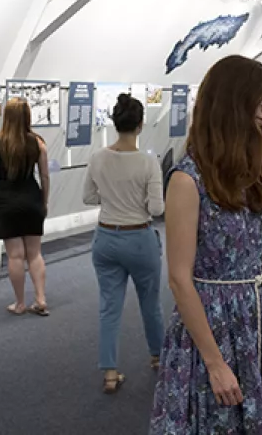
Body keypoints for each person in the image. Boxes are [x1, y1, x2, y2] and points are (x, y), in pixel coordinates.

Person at [149, 55, 262, 434]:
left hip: (255, 317)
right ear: (236, 103)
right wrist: (215, 363)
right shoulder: (187, 180)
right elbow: (180, 280)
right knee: (215, 417)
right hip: (211, 321)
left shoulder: (249, 171)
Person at [82, 93, 165, 394]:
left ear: (115, 123)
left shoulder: (98, 158)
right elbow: (156, 208)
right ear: (140, 125)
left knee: (109, 307)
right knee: (150, 303)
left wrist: (111, 196)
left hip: (105, 238)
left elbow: (88, 197)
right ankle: (158, 356)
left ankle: (109, 372)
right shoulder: (147, 162)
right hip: (139, 238)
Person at [0, 97, 50, 316]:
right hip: (31, 197)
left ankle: (20, 303)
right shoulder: (38, 142)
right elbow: (45, 176)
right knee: (34, 253)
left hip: (6, 199)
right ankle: (40, 298)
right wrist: (44, 201)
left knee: (15, 256)